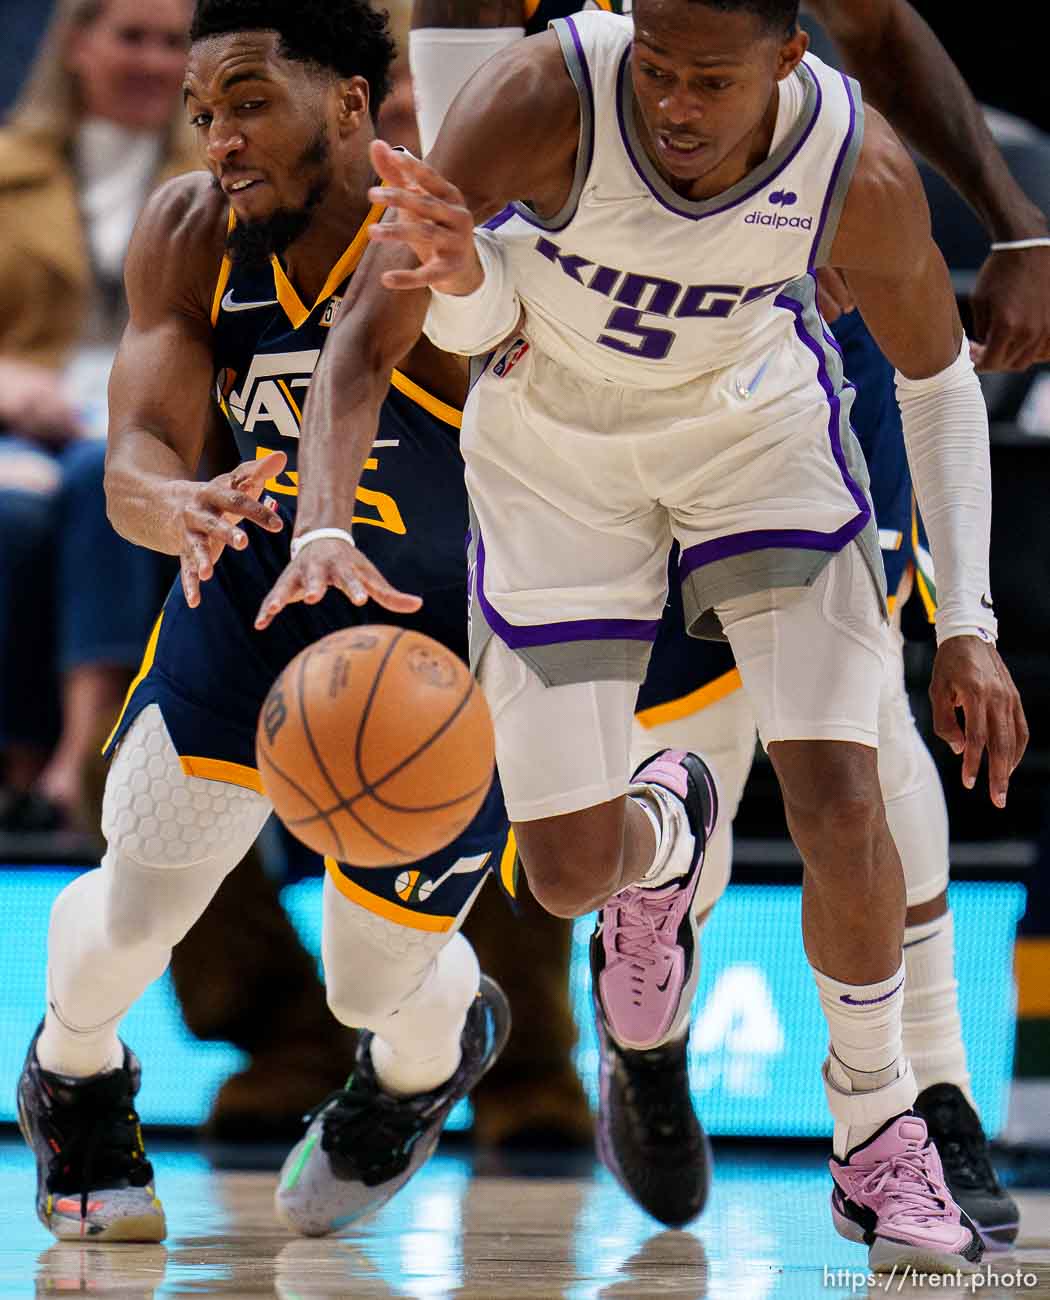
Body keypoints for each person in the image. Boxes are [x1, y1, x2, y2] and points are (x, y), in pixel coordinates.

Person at [261, 0, 1029, 1273]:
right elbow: (405, 325)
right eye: (659, 72)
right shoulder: (534, 95)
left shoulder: (858, 165)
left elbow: (937, 380)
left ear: (788, 60)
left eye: (711, 81)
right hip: (554, 452)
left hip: (758, 437)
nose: (675, 104)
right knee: (564, 873)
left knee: (843, 786)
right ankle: (665, 840)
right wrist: (319, 524)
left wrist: (970, 623)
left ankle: (877, 1124)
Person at [16, 0, 516, 1244]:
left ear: (351, 101)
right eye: (203, 113)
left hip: (428, 642)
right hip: (243, 612)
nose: (218, 138)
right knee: (131, 915)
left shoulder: (451, 236)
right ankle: (74, 1076)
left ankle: (416, 1071)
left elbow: (379, 385)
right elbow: (137, 446)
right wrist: (164, 500)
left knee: (371, 974)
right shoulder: (192, 227)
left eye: (249, 104)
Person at [0, 0, 197, 828]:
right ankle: (15, 764)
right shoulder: (8, 172)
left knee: (100, 481)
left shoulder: (224, 180)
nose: (153, 61)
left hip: (155, 418)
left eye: (173, 43)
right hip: (21, 415)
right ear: (77, 44)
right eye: (131, 37)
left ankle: (79, 760)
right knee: (13, 514)